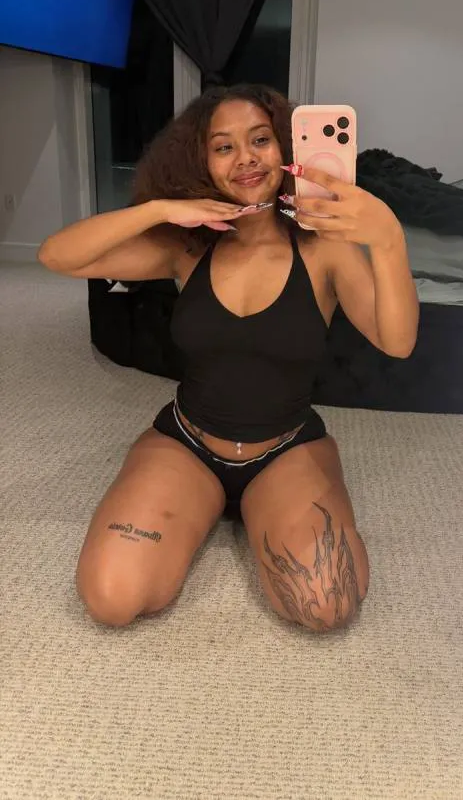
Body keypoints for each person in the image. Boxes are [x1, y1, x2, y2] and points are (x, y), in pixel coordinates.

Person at [38, 84, 419, 633]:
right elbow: (57, 256)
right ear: (201, 162)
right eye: (223, 147)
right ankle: (199, 498)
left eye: (260, 140)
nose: (245, 158)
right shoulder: (185, 247)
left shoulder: (325, 248)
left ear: (285, 148)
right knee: (111, 599)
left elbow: (397, 342)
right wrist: (161, 209)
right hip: (187, 444)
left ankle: (268, 499)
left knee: (325, 606)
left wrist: (387, 239)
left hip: (285, 449)